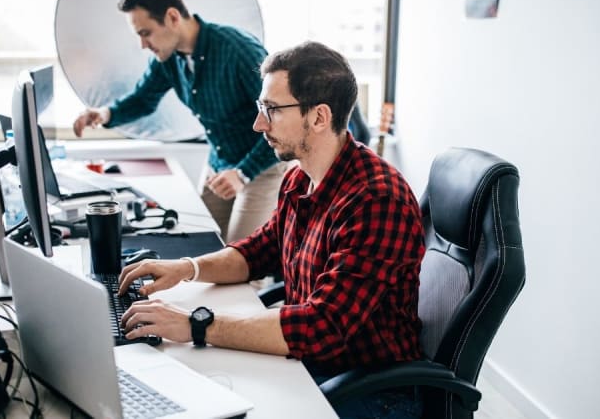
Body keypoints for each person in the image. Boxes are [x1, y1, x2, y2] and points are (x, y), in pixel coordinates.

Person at [118, 41, 425, 418]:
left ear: (318, 117)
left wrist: (195, 325)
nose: (258, 124)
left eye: (272, 110)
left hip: (370, 391)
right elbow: (258, 251)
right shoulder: (300, 177)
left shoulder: (376, 201)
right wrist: (185, 268)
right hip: (314, 366)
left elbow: (322, 326)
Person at [72, 0, 286, 242]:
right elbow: (143, 99)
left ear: (172, 17)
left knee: (242, 260)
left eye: (145, 33)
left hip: (261, 166)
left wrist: (243, 173)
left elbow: (282, 123)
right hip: (220, 165)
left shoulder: (238, 50)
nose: (142, 45)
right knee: (201, 243)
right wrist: (104, 115)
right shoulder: (168, 58)